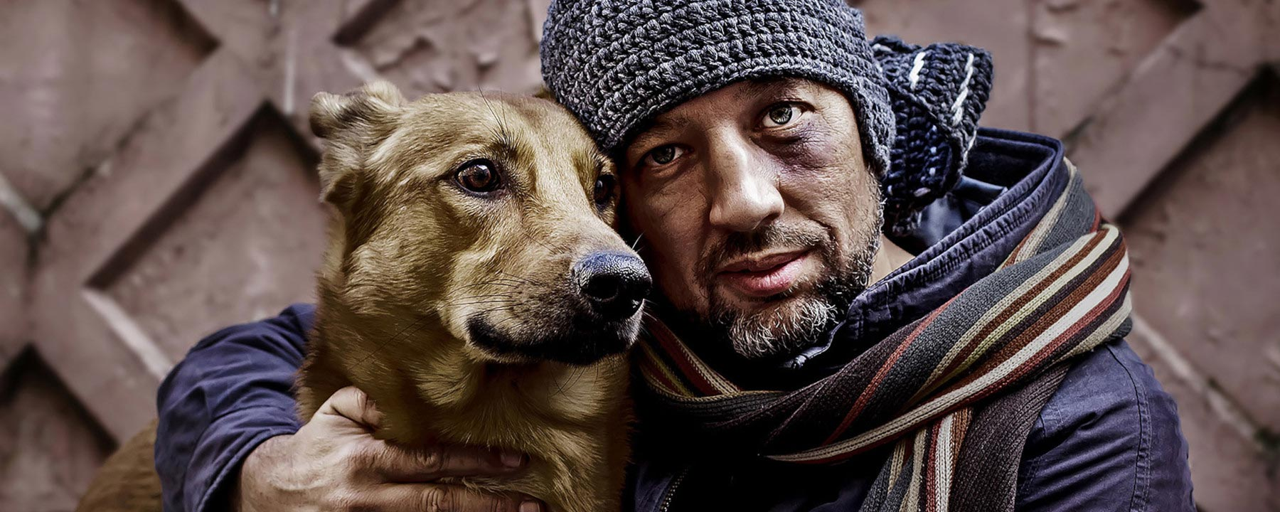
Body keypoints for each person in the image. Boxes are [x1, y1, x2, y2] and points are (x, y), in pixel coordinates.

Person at [155, 1, 1195, 511]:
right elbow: (267, 349)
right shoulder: (636, 320)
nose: (743, 201)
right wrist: (250, 468)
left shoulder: (1073, 428)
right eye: (663, 155)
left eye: (784, 116)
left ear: (869, 130)